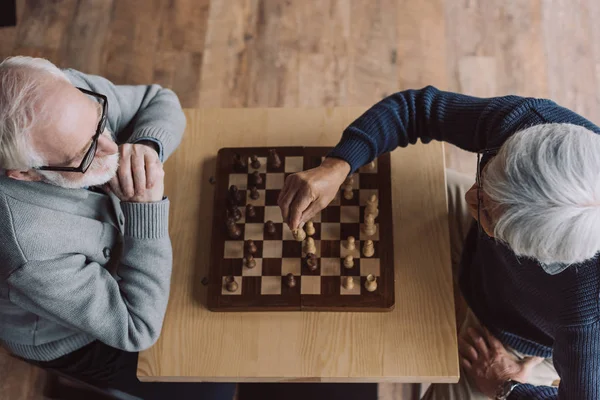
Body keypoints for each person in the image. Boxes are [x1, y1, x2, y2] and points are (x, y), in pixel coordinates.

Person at [278, 86, 600, 399]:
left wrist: (508, 387)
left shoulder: (587, 319)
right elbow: (417, 110)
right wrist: (338, 165)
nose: (470, 195)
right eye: (485, 174)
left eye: (486, 210)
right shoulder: (530, 125)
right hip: (482, 256)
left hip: (520, 342)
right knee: (372, 184)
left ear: (537, 255)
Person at [0, 56, 234, 399]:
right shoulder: (28, 248)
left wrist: (147, 146)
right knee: (211, 386)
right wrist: (144, 210)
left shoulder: (59, 99)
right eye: (86, 152)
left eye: (100, 122)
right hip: (73, 338)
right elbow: (136, 328)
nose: (111, 148)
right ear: (25, 173)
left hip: (126, 243)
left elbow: (159, 99)